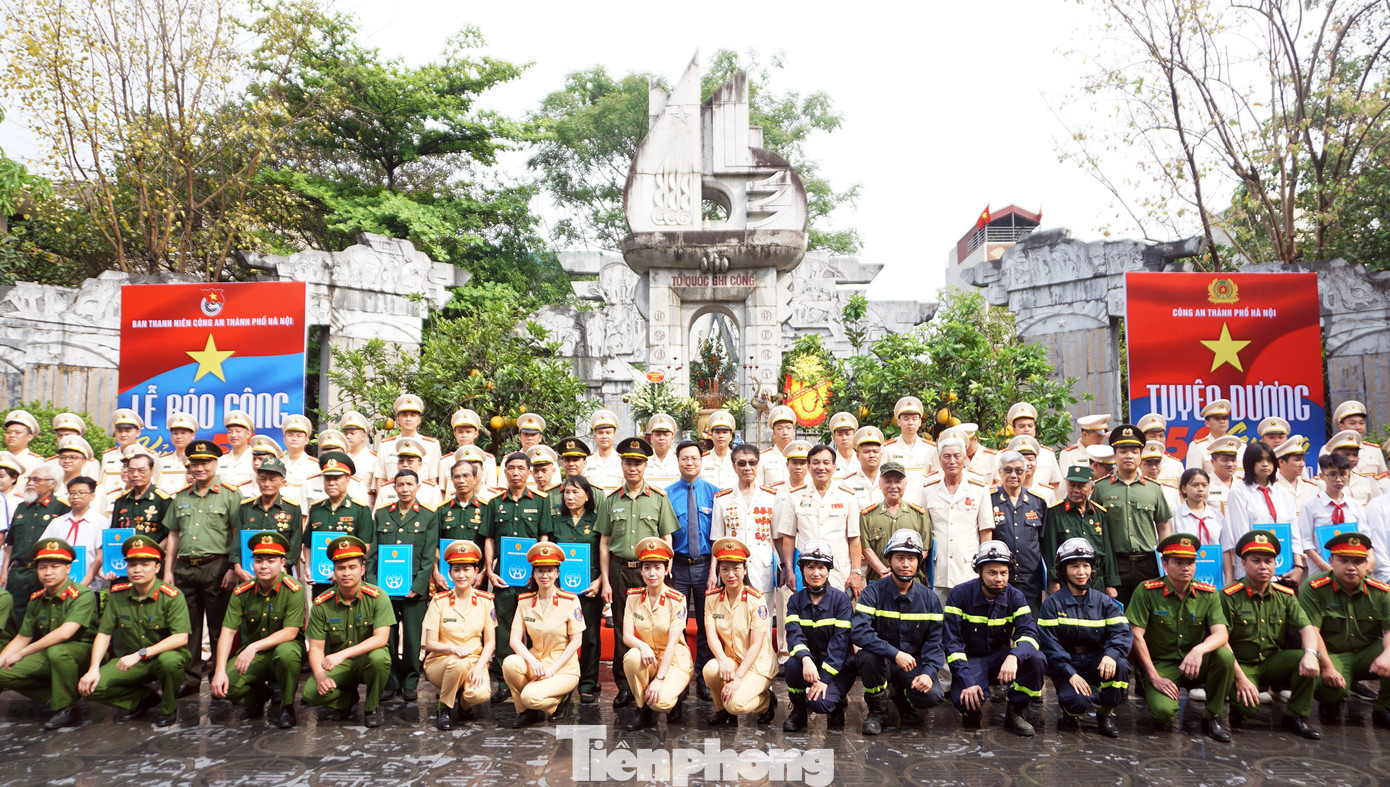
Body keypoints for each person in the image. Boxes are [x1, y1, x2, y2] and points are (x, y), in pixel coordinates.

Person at [1127, 533, 1234, 741]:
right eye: (1178, 562)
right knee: (1163, 713)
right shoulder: (1147, 591)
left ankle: (1212, 716)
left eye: (1190, 562)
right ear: (1164, 565)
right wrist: (1154, 677)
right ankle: (1160, 698)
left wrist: (1198, 650)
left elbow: (1221, 633)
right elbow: (1136, 636)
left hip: (1195, 663)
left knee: (1225, 656)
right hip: (1162, 664)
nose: (1186, 567)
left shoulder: (1208, 593)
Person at [597, 436, 677, 709]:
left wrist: (666, 569)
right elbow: (605, 542)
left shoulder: (658, 499)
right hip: (620, 570)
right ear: (622, 465)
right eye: (629, 463)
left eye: (638, 464)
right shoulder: (610, 501)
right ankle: (625, 686)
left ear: (645, 467)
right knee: (622, 627)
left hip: (651, 573)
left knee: (655, 627)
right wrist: (605, 580)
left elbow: (666, 536)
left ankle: (659, 676)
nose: (633, 468)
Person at [81, 533, 191, 729]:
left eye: (145, 564)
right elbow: (104, 633)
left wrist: (142, 654)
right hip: (133, 663)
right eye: (132, 564)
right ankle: (142, 699)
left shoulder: (172, 596)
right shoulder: (118, 595)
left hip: (162, 657)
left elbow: (181, 637)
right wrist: (93, 668)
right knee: (91, 687)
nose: (137, 569)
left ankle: (168, 709)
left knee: (170, 662)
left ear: (157, 567)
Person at [1219, 530, 1322, 739]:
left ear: (1276, 563)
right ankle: (1239, 708)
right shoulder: (1229, 596)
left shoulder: (1284, 595)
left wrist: (1311, 653)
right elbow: (1222, 641)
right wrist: (1240, 678)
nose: (1263, 566)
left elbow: (1307, 628)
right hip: (1241, 665)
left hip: (1272, 661)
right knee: (1247, 707)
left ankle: (1297, 716)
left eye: (1269, 560)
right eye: (1256, 560)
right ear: (1244, 563)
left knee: (1307, 660)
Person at [161, 438, 242, 695]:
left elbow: (236, 532)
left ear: (215, 463)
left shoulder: (230, 494)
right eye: (194, 463)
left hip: (217, 567)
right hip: (185, 568)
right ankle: (191, 678)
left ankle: (220, 676)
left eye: (205, 462)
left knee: (220, 627)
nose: (199, 468)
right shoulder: (181, 497)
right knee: (188, 627)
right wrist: (168, 570)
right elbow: (173, 534)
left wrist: (232, 567)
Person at [943, 540, 1045, 736]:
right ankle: (972, 712)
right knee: (966, 701)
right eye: (992, 572)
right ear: (979, 572)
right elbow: (952, 643)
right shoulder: (959, 595)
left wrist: (1014, 656)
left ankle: (1016, 711)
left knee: (1036, 660)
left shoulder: (1016, 596)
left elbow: (1030, 634)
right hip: (971, 659)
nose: (999, 578)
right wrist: (966, 680)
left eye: (1003, 573)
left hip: (1001, 659)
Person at [851, 529, 946, 735]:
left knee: (933, 696)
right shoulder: (873, 592)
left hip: (913, 663)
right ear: (889, 560)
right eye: (900, 557)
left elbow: (935, 642)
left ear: (918, 562)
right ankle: (877, 712)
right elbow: (859, 632)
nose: (905, 564)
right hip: (883, 661)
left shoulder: (929, 599)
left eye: (911, 558)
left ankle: (899, 696)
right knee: (867, 657)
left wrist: (929, 674)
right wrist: (894, 653)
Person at [206, 530, 304, 728]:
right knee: (226, 687)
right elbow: (228, 631)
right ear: (252, 563)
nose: (264, 566)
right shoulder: (242, 592)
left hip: (284, 649)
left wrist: (253, 647)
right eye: (259, 560)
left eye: (271, 560)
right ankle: (259, 696)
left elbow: (290, 632)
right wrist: (219, 671)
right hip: (255, 656)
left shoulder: (293, 589)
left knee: (287, 654)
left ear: (282, 563)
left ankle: (287, 706)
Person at [1037, 538, 1131, 738]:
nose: (1081, 572)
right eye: (1074, 566)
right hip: (1066, 664)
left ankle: (1105, 713)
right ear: (1064, 571)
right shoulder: (1052, 605)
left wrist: (1111, 655)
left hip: (1096, 660)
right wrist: (1070, 674)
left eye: (1086, 566)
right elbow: (1049, 646)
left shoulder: (1105, 602)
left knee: (1121, 665)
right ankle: (1070, 713)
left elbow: (1122, 632)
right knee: (1077, 703)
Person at [0, 538, 95, 729]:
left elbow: (65, 634)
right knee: (2, 672)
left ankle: (67, 709)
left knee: (58, 651)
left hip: (81, 655)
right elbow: (22, 637)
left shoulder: (83, 594)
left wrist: (22, 653)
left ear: (68, 569)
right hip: (49, 653)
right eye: (42, 567)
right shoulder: (37, 600)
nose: (48, 572)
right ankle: (56, 698)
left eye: (54, 566)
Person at [1298, 531, 1390, 727]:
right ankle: (1331, 700)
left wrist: (1388, 653)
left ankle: (1384, 708)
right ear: (1331, 560)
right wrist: (1328, 668)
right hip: (1332, 655)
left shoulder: (1381, 592)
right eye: (1344, 560)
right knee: (1329, 688)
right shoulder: (1314, 588)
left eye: (1358, 561)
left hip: (1367, 653)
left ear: (1367, 563)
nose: (1351, 567)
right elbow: (1312, 631)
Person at [302, 535, 394, 728]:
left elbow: (381, 638)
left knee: (380, 659)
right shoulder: (322, 603)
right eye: (340, 568)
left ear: (362, 569)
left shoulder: (378, 597)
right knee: (311, 693)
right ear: (333, 571)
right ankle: (347, 699)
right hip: (339, 666)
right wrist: (320, 676)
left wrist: (341, 654)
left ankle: (371, 706)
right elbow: (316, 648)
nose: (346, 573)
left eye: (352, 567)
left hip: (365, 659)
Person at [484, 451, 553, 702]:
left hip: (530, 577)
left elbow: (544, 535)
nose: (515, 473)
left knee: (534, 626)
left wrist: (540, 570)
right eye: (511, 468)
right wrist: (490, 570)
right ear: (505, 472)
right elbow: (489, 538)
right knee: (503, 625)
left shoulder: (540, 501)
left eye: (521, 468)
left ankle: (537, 671)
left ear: (529, 472)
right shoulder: (495, 503)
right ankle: (504, 680)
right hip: (503, 576)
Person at [371, 469, 439, 702]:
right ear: (394, 488)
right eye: (400, 485)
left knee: (412, 638)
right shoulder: (381, 515)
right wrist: (374, 587)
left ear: (418, 486)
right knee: (386, 637)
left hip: (413, 589)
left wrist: (419, 585)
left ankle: (410, 680)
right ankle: (391, 681)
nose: (405, 489)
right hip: (385, 591)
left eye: (409, 484)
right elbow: (373, 554)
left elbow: (429, 557)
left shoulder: (429, 515)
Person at [709, 444, 779, 664]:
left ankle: (764, 669)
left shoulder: (771, 496)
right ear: (734, 466)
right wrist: (713, 572)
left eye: (752, 463)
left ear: (758, 464)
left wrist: (782, 567)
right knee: (735, 619)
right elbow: (717, 541)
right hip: (732, 568)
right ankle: (737, 664)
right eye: (742, 463)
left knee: (763, 620)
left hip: (761, 565)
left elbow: (776, 537)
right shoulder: (723, 498)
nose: (747, 467)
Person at [503, 541, 584, 727]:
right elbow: (514, 639)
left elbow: (576, 641)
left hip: (563, 668)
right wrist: (533, 662)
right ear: (533, 573)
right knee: (510, 664)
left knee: (529, 696)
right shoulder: (525, 601)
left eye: (549, 570)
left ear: (557, 573)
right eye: (540, 570)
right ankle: (525, 712)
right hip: (537, 663)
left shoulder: (570, 601)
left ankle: (558, 701)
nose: (544, 575)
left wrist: (552, 669)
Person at [1094, 424, 1173, 606]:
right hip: (1115, 564)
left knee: (1151, 614)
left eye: (1134, 451)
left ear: (1140, 456)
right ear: (1114, 456)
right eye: (1123, 451)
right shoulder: (1100, 488)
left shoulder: (1154, 489)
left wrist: (1165, 560)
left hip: (1148, 564)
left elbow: (1163, 526)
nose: (1128, 456)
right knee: (1116, 616)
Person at [780, 541, 855, 731]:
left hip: (838, 666)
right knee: (792, 665)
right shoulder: (795, 601)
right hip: (811, 663)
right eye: (810, 566)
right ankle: (798, 710)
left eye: (821, 567)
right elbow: (794, 636)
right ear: (803, 570)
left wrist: (824, 679)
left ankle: (836, 705)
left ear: (828, 571)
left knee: (821, 703)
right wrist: (806, 659)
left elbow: (841, 644)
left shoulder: (841, 601)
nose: (816, 573)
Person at [703, 537, 778, 726]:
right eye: (725, 568)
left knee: (736, 705)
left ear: (745, 570)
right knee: (711, 669)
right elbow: (711, 635)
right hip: (733, 660)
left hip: (757, 664)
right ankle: (721, 710)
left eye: (736, 568)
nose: (730, 574)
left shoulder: (756, 600)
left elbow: (755, 645)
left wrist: (736, 678)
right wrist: (722, 660)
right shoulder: (712, 598)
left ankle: (766, 701)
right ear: (718, 571)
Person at [422, 540, 496, 730]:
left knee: (479, 695)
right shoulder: (439, 602)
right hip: (441, 662)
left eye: (466, 569)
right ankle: (444, 707)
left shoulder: (486, 602)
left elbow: (490, 643)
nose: (461, 575)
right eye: (456, 570)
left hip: (474, 662)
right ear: (450, 573)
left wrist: (480, 666)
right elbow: (430, 643)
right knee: (458, 662)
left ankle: (463, 703)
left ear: (476, 572)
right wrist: (452, 648)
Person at [620, 537, 692, 730]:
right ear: (641, 570)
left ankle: (674, 698)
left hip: (674, 658)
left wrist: (659, 679)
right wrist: (642, 645)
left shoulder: (677, 600)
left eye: (658, 567)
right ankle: (643, 709)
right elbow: (627, 636)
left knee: (661, 702)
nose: (652, 573)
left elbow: (672, 643)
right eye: (647, 567)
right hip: (648, 656)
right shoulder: (633, 598)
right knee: (632, 657)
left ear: (667, 570)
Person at [776, 444, 863, 596]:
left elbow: (854, 537)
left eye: (826, 462)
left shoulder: (847, 496)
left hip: (838, 571)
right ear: (808, 466)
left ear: (834, 466)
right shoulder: (795, 496)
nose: (821, 467)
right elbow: (788, 537)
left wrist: (855, 572)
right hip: (807, 571)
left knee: (838, 614)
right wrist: (789, 570)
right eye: (816, 462)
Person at [667, 439, 719, 695]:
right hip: (677, 566)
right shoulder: (666, 495)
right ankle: (678, 674)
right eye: (684, 458)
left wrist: (714, 570)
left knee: (706, 623)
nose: (689, 462)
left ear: (701, 461)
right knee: (676, 624)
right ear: (677, 461)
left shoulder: (715, 493)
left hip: (705, 566)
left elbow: (718, 535)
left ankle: (703, 676)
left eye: (694, 458)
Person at [920, 437, 992, 604]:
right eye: (946, 456)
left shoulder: (979, 487)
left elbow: (986, 532)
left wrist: (984, 567)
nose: (952, 461)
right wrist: (923, 569)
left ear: (965, 457)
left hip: (968, 569)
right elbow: (923, 529)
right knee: (938, 621)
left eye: (956, 456)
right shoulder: (928, 488)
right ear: (939, 460)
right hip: (938, 569)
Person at [551, 474, 603, 703]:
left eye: (575, 492)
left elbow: (605, 552)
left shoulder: (598, 520)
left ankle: (588, 682)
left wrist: (600, 581)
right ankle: (561, 678)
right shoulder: (555, 521)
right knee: (561, 635)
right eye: (567, 493)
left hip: (589, 587)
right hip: (561, 590)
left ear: (587, 495)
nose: (570, 497)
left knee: (590, 636)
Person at [1223, 442, 1302, 583]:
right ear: (1249, 463)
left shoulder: (1283, 493)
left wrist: (1298, 566)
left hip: (1285, 572)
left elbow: (1294, 533)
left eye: (1269, 460)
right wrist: (1259, 566)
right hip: (1253, 573)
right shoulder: (1238, 492)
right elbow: (1242, 534)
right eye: (1259, 460)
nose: (1265, 464)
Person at [4, 465, 70, 625]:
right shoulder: (21, 507)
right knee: (14, 618)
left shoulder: (62, 508)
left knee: (41, 618)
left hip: (42, 572)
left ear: (52, 484)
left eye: (36, 480)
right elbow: (10, 544)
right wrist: (4, 572)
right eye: (29, 479)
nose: (30, 483)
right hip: (18, 572)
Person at [305, 452, 374, 594]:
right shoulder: (316, 509)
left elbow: (365, 547)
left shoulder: (360, 510)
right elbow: (308, 544)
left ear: (348, 480)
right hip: (320, 579)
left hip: (349, 581)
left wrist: (341, 570)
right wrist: (308, 567)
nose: (331, 483)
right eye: (327, 479)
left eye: (336, 478)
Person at [1042, 466, 1117, 596]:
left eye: (1081, 486)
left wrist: (1111, 583)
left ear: (1092, 488)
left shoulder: (1099, 513)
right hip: (1067, 582)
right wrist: (1053, 581)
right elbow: (1050, 549)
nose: (1075, 490)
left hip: (1096, 581)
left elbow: (1108, 550)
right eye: (1072, 485)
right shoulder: (1055, 513)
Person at [230, 456, 304, 585]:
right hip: (248, 574)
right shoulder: (245, 507)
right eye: (263, 479)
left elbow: (295, 543)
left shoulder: (292, 508)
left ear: (282, 482)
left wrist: (284, 567)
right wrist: (236, 567)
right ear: (257, 480)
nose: (266, 484)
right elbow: (237, 542)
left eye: (272, 480)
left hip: (281, 575)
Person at [988, 451, 1048, 607]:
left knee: (1029, 623)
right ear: (1000, 472)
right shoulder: (989, 499)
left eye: (1018, 471)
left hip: (1030, 577)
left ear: (1025, 472)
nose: (1013, 475)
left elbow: (1043, 541)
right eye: (1008, 470)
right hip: (998, 576)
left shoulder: (1037, 501)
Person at [858, 461, 929, 585]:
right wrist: (884, 571)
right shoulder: (867, 515)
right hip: (878, 580)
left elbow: (925, 548)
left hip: (911, 582)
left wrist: (904, 570)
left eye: (898, 481)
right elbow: (865, 547)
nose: (893, 485)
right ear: (879, 484)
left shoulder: (919, 515)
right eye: (888, 481)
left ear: (905, 484)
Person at [434, 448, 492, 589]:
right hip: (447, 576)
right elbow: (434, 546)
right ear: (451, 479)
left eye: (466, 476)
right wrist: (436, 573)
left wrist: (483, 573)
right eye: (456, 476)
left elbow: (488, 544)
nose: (461, 480)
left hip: (476, 577)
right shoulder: (442, 510)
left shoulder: (486, 509)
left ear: (475, 478)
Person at [1301, 452, 1365, 575]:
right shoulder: (1310, 506)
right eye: (1332, 475)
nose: (1338, 479)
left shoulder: (1355, 506)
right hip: (1320, 571)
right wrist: (1323, 565)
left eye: (1343, 474)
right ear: (1321, 476)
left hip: (1351, 571)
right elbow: (1306, 541)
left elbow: (1365, 536)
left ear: (1349, 476)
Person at [43, 475, 104, 588]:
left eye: (81, 493)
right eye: (71, 493)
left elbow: (99, 557)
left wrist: (84, 584)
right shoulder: (57, 522)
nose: (76, 497)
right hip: (58, 586)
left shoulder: (100, 522)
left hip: (88, 587)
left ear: (92, 495)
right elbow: (44, 551)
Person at [109, 449, 171, 545]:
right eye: (131, 470)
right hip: (126, 556)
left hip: (153, 557)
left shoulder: (163, 500)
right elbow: (114, 533)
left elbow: (170, 534)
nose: (135, 475)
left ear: (152, 470)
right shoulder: (121, 501)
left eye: (141, 470)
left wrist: (156, 553)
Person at [377, 394, 441, 486]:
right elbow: (380, 479)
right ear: (398, 419)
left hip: (422, 498)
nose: (408, 419)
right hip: (392, 497)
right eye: (404, 415)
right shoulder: (386, 445)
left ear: (419, 420)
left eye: (413, 415)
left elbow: (433, 480)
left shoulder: (432, 445)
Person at [439, 409, 495, 498]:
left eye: (468, 432)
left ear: (476, 434)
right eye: (460, 432)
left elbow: (492, 490)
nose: (464, 435)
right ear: (455, 434)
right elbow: (442, 493)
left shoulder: (488, 460)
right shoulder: (445, 461)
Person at [1325, 400, 1389, 476]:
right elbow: (1323, 480)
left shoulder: (1374, 450)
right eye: (1353, 423)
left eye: (1361, 423)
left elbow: (1384, 478)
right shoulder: (1329, 449)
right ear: (1341, 426)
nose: (1359, 427)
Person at [1186, 399, 1244, 474]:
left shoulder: (1241, 446)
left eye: (1224, 418)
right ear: (1207, 423)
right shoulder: (1198, 447)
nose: (1222, 421)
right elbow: (1193, 477)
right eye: (1217, 418)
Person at [1273, 436, 1321, 516]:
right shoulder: (1271, 488)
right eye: (1297, 460)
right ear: (1281, 462)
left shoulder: (1312, 488)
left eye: (1303, 460)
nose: (1302, 464)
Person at [843, 426, 887, 511]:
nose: (871, 455)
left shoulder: (889, 481)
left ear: (881, 455)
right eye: (866, 452)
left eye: (875, 451)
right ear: (858, 456)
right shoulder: (847, 483)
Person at [339, 411, 379, 502]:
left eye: (352, 433)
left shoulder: (373, 459)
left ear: (363, 436)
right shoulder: (340, 457)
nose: (348, 436)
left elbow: (375, 491)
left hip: (364, 506)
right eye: (346, 433)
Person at [756, 405, 798, 488]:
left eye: (788, 428)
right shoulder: (763, 458)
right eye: (780, 428)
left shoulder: (804, 456)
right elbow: (758, 488)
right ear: (774, 434)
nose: (785, 432)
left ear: (793, 432)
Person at [1136, 413, 1185, 482]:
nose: (1158, 439)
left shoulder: (1176, 465)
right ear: (1143, 439)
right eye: (1153, 436)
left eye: (1161, 436)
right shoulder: (1135, 464)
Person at [156, 413, 197, 496]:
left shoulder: (197, 460)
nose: (178, 437)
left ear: (192, 436)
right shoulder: (161, 461)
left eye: (183, 433)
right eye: (175, 433)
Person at [216, 410, 256, 492]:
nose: (233, 435)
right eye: (230, 432)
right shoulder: (220, 460)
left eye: (238, 431)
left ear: (248, 434)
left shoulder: (257, 458)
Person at [584, 409, 623, 493]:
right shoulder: (586, 461)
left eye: (608, 433)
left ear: (614, 436)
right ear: (595, 437)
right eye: (600, 433)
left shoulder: (622, 461)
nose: (604, 436)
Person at [699, 410, 738, 490]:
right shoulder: (701, 460)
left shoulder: (738, 459)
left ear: (730, 436)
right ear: (711, 436)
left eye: (724, 432)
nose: (721, 436)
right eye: (717, 432)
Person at [3, 409, 44, 482]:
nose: (12, 435)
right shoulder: (2, 458)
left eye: (18, 432)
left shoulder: (36, 462)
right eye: (8, 432)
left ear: (29, 437)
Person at [644, 414, 681, 488]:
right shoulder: (643, 459)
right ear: (651, 438)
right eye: (657, 435)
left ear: (672, 438)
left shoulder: (679, 460)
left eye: (666, 435)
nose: (661, 438)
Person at [827, 412, 860, 478]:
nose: (844, 438)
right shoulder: (829, 461)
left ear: (854, 436)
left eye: (847, 434)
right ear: (834, 438)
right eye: (840, 434)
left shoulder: (862, 460)